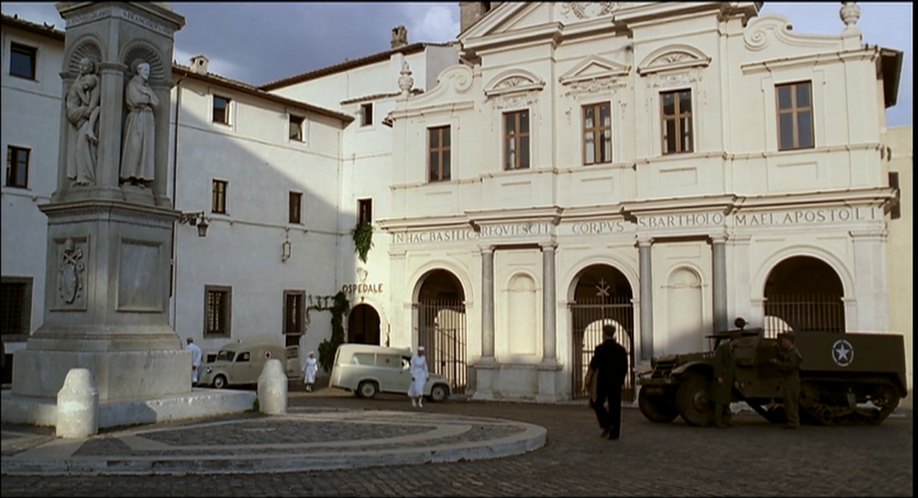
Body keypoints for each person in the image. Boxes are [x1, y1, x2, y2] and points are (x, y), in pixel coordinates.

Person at [120, 61, 158, 187]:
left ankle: (141, 178)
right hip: (136, 119)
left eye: (149, 70)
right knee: (134, 147)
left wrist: (147, 96)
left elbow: (156, 102)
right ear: (139, 71)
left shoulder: (147, 88)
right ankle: (129, 176)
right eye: (146, 70)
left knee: (145, 150)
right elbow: (135, 101)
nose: (148, 73)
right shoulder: (132, 85)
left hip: (147, 121)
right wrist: (148, 98)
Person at [589, 325, 628, 440]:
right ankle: (614, 433)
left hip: (603, 381)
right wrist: (621, 380)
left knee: (596, 403)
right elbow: (625, 367)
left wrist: (589, 378)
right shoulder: (621, 349)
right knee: (615, 407)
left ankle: (606, 423)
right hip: (616, 382)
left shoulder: (600, 349)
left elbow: (593, 365)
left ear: (604, 334)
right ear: (613, 334)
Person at [65, 57, 101, 186]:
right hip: (79, 118)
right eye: (80, 65)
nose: (81, 68)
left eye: (84, 66)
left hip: (84, 117)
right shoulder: (79, 81)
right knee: (78, 149)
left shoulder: (93, 80)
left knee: (83, 148)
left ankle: (87, 177)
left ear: (91, 68)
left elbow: (89, 104)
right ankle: (81, 177)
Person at [771, 331, 803, 429]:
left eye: (785, 342)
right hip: (789, 380)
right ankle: (792, 421)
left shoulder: (793, 353)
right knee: (789, 401)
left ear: (790, 342)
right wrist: (777, 350)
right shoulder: (790, 352)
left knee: (790, 402)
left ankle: (793, 422)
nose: (783, 343)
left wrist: (777, 363)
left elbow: (789, 367)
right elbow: (785, 357)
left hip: (791, 380)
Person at [712, 330, 740, 428]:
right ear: (734, 340)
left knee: (726, 400)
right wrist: (718, 376)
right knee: (720, 401)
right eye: (738, 340)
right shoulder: (722, 349)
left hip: (729, 379)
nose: (740, 343)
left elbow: (733, 367)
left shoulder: (733, 351)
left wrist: (735, 380)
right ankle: (718, 421)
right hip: (723, 378)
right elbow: (718, 363)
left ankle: (727, 420)